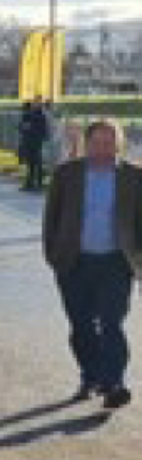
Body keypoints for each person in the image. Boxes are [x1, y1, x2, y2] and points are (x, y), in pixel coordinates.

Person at [43, 120, 142, 409]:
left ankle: (114, 383)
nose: (103, 148)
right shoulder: (66, 174)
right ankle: (91, 375)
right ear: (87, 144)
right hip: (74, 262)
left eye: (109, 142)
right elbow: (52, 218)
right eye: (97, 142)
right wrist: (54, 256)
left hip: (116, 263)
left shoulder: (134, 177)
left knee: (112, 323)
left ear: (118, 144)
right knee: (81, 325)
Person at [20, 98, 52, 191]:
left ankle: (36, 183)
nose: (35, 106)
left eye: (37, 104)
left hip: (35, 142)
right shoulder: (30, 115)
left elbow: (43, 130)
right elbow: (21, 126)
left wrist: (27, 128)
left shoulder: (38, 116)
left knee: (35, 163)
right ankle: (32, 183)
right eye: (34, 104)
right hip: (32, 141)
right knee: (32, 164)